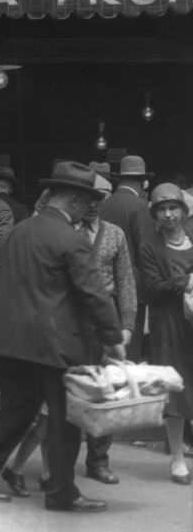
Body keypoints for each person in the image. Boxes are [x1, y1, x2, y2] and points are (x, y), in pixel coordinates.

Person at [0, 161, 126, 513]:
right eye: (87, 202)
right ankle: (62, 493)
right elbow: (94, 293)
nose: (88, 209)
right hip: (55, 345)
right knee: (66, 420)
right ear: (75, 201)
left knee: (15, 412)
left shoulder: (19, 231)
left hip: (10, 341)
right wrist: (113, 337)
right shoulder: (72, 240)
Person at [0, 173, 137, 493]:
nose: (93, 205)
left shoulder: (114, 234)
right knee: (56, 407)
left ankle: (97, 461)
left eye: (99, 198)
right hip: (66, 329)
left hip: (102, 327)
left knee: (102, 397)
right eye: (89, 198)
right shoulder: (62, 230)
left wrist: (126, 326)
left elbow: (126, 281)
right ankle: (47, 473)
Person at [139, 183, 193, 485]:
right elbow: (151, 289)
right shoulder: (150, 247)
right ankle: (176, 458)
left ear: (184, 211)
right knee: (174, 388)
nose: (169, 214)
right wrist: (185, 282)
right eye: (162, 209)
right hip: (169, 325)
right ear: (155, 214)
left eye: (173, 208)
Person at [100, 155, 155, 360]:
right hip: (133, 288)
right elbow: (146, 250)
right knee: (130, 349)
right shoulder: (140, 206)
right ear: (143, 182)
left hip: (104, 285)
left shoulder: (103, 204)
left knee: (107, 350)